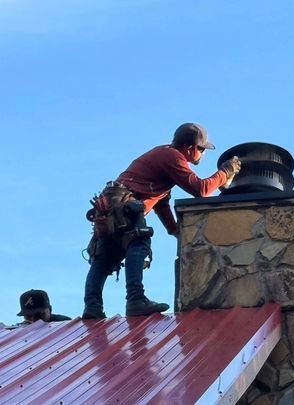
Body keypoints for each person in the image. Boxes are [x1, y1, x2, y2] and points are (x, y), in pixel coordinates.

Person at [83, 123, 241, 319]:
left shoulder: (162, 157)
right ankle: (135, 299)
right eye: (201, 149)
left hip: (111, 209)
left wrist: (176, 232)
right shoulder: (172, 156)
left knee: (105, 256)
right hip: (125, 206)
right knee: (138, 242)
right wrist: (225, 172)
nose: (203, 153)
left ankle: (92, 308)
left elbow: (161, 203)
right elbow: (200, 189)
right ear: (190, 147)